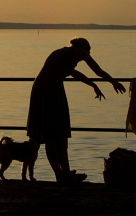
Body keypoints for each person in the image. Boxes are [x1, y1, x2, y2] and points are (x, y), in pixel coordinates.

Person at [26, 37, 126, 183]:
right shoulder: (80, 53)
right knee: (58, 133)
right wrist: (113, 82)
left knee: (49, 134)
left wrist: (93, 85)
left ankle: (62, 174)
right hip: (51, 90)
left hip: (41, 88)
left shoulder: (63, 54)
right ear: (84, 49)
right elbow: (97, 70)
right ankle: (64, 174)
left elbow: (75, 73)